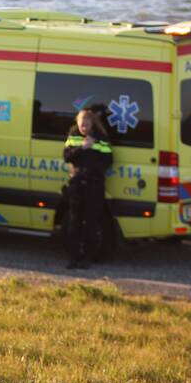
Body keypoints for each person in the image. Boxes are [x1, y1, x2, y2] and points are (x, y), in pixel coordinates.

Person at [63, 109, 113, 269]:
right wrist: (82, 148)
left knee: (91, 223)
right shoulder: (73, 138)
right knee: (74, 223)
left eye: (86, 123)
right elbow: (66, 157)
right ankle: (73, 258)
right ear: (77, 123)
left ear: (92, 124)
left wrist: (92, 171)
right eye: (81, 123)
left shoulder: (101, 140)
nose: (83, 126)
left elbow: (108, 160)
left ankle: (87, 258)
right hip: (76, 185)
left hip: (94, 185)